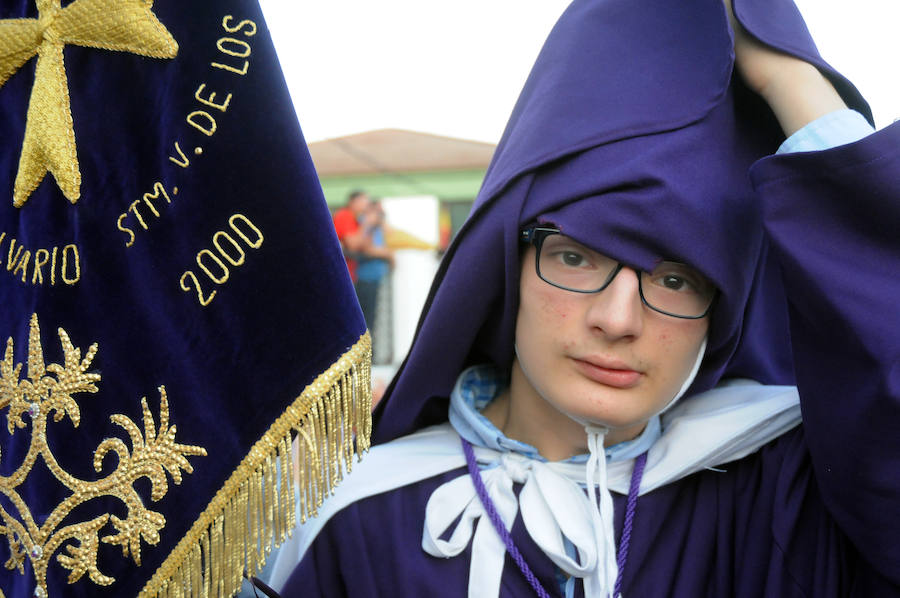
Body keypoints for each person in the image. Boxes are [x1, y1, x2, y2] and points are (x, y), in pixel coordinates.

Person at [268, 0, 900, 596]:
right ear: (508, 270)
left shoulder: (784, 500)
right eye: (575, 257)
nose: (617, 320)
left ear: (722, 314)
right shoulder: (347, 521)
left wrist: (788, 76)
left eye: (675, 280)